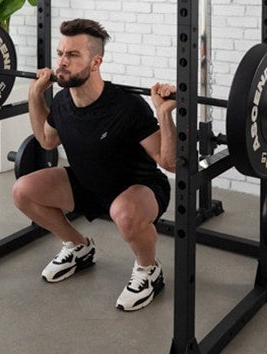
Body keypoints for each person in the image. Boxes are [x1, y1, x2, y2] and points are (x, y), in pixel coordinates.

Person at [12, 18, 177, 311]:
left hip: (137, 190)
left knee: (124, 214)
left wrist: (163, 114)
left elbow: (170, 162)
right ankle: (78, 247)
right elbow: (47, 141)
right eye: (61, 53)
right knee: (23, 191)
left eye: (73, 55)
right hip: (88, 183)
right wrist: (35, 94)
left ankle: (149, 269)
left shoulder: (126, 106)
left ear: (96, 62)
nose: (62, 62)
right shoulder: (62, 103)